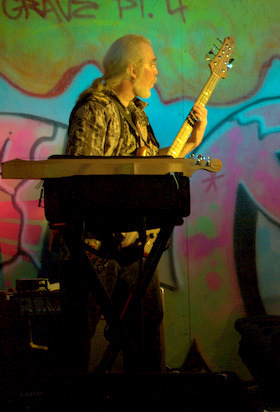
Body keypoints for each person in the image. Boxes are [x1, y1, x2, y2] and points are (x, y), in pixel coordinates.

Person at [60, 34, 208, 373]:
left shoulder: (137, 115)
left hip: (131, 244)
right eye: (152, 64)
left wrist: (191, 143)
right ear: (132, 69)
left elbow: (152, 169)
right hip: (94, 246)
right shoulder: (96, 109)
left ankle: (147, 399)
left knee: (147, 322)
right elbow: (79, 178)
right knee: (76, 338)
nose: (156, 72)